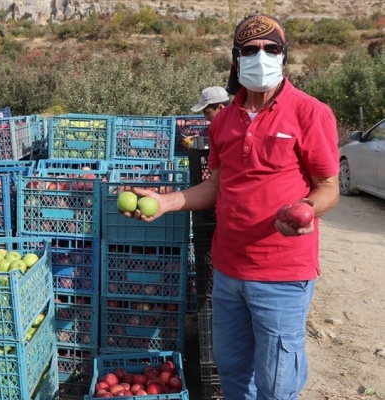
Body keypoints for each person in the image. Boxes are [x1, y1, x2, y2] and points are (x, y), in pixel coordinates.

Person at [129, 14, 340, 399]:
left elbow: (328, 186)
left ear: (283, 55)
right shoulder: (223, 121)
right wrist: (165, 202)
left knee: (277, 385)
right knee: (231, 373)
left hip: (282, 273)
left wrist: (308, 209)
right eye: (251, 50)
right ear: (236, 59)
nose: (262, 56)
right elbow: (216, 186)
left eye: (271, 49)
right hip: (228, 271)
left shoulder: (311, 112)